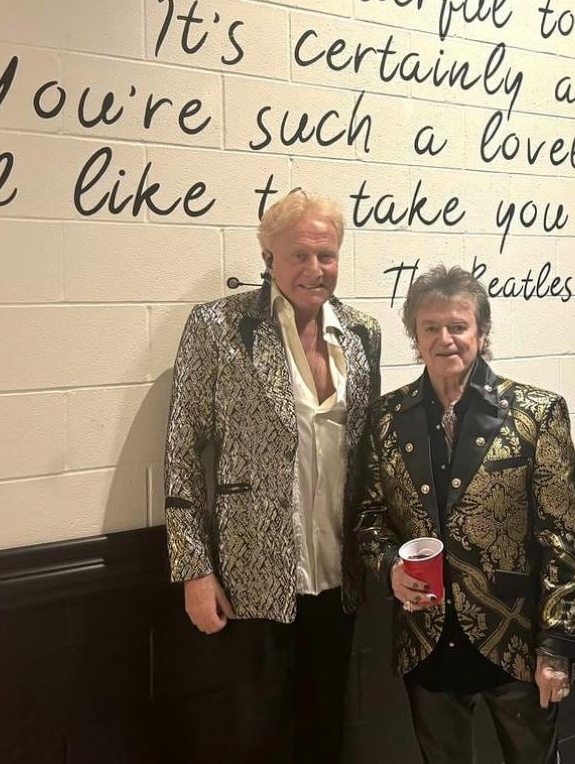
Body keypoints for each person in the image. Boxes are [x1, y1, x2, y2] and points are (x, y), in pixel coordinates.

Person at [164, 189, 381, 763]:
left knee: (325, 732)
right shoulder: (219, 327)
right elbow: (183, 450)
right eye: (299, 255)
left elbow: (367, 456)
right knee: (255, 738)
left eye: (327, 255)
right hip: (251, 578)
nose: (315, 269)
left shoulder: (363, 333)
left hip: (338, 574)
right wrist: (193, 569)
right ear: (268, 257)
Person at [355, 265, 575, 764]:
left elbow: (561, 538)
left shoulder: (537, 413)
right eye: (430, 327)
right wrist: (390, 567)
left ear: (482, 331)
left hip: (516, 638)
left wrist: (558, 645)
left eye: (458, 326)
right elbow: (369, 517)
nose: (445, 339)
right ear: (415, 337)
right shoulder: (386, 418)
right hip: (426, 637)